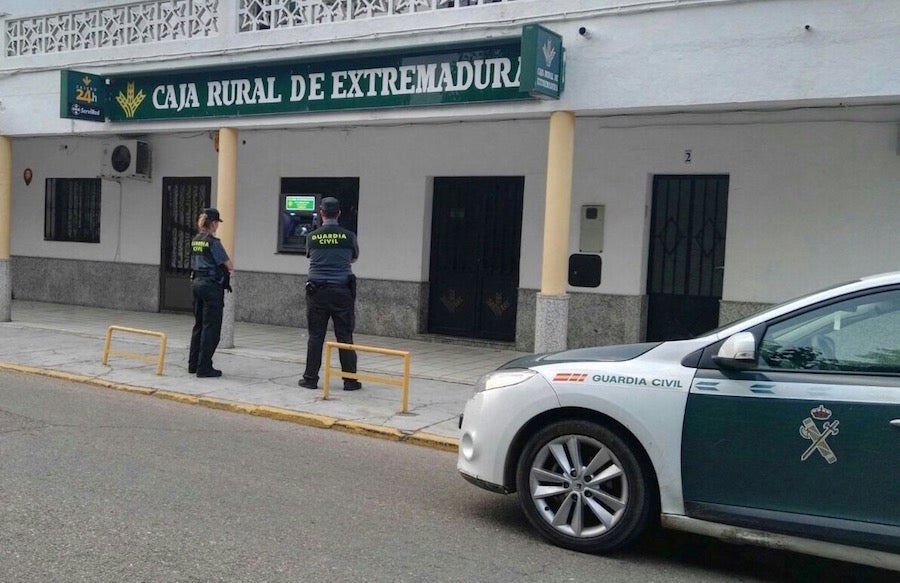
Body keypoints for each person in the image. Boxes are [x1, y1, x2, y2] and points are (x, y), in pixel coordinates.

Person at [299, 196, 361, 391]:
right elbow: (353, 258)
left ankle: (310, 379)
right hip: (342, 290)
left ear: (321, 213)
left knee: (316, 336)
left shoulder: (312, 237)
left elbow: (309, 255)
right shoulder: (349, 236)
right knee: (345, 336)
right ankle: (350, 381)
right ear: (339, 213)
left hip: (317, 291)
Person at [188, 207, 234, 378]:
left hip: (196, 283)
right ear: (213, 224)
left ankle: (193, 364)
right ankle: (204, 367)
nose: (218, 226)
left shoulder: (196, 240)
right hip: (211, 286)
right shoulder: (213, 242)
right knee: (211, 327)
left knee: (199, 325)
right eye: (217, 223)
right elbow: (229, 265)